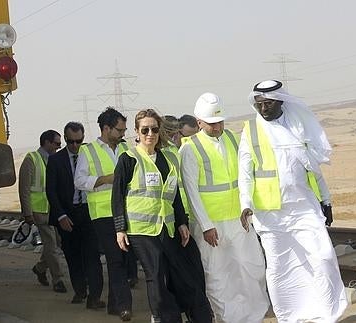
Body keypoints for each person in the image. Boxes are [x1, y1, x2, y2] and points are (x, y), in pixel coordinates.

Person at [239, 80, 348, 323]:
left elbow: (314, 169)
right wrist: (245, 203)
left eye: (268, 103)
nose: (263, 108)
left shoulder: (298, 126)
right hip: (270, 214)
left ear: (281, 101)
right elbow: (244, 172)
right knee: (279, 267)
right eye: (259, 103)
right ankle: (288, 317)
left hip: (304, 207)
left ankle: (327, 314)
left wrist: (326, 199)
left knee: (322, 257)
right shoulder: (251, 130)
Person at [113, 108, 212, 323]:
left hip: (167, 227)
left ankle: (192, 314)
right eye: (145, 129)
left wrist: (182, 222)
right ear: (137, 132)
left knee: (182, 274)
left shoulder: (168, 158)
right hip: (141, 230)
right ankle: (163, 317)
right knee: (155, 275)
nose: (150, 134)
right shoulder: (128, 159)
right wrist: (120, 229)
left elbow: (174, 193)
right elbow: (117, 196)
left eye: (154, 129)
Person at [180, 93, 269, 323]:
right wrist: (206, 226)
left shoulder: (231, 137)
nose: (218, 126)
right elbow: (191, 191)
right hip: (212, 226)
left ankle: (253, 316)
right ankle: (226, 318)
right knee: (218, 275)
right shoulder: (190, 148)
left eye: (220, 121)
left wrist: (247, 207)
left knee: (250, 267)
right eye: (212, 123)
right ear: (199, 122)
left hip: (238, 219)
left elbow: (244, 175)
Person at [74, 107, 132, 319]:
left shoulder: (126, 148)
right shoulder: (87, 151)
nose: (123, 134)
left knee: (125, 260)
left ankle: (114, 304)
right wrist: (104, 180)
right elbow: (79, 181)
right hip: (103, 214)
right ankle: (124, 306)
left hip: (127, 211)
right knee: (116, 259)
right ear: (106, 129)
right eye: (119, 130)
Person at [46, 122, 104, 306]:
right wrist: (61, 215)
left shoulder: (91, 154)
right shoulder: (56, 160)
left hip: (89, 213)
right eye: (71, 142)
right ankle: (80, 291)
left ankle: (94, 297)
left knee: (92, 256)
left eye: (79, 141)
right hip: (67, 215)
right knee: (73, 256)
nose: (75, 146)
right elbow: (51, 191)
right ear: (65, 139)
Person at [18, 129, 67, 293]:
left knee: (58, 243)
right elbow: (24, 188)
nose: (59, 147)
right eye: (57, 144)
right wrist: (27, 213)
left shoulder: (54, 160)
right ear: (47, 142)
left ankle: (40, 268)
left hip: (53, 210)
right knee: (51, 245)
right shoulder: (31, 159)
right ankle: (58, 279)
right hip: (38, 211)